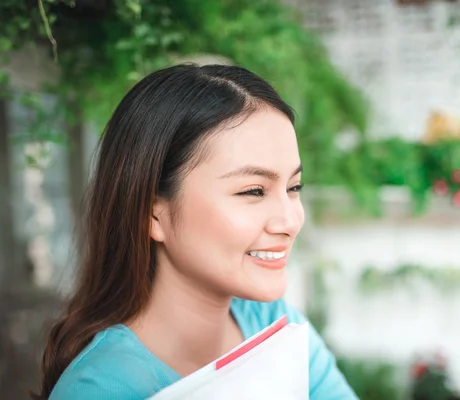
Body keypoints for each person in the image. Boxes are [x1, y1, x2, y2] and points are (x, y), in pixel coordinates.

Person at [31, 64, 358, 399]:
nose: (289, 221)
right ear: (152, 212)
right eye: (254, 191)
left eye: (294, 187)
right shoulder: (99, 389)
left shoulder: (274, 325)